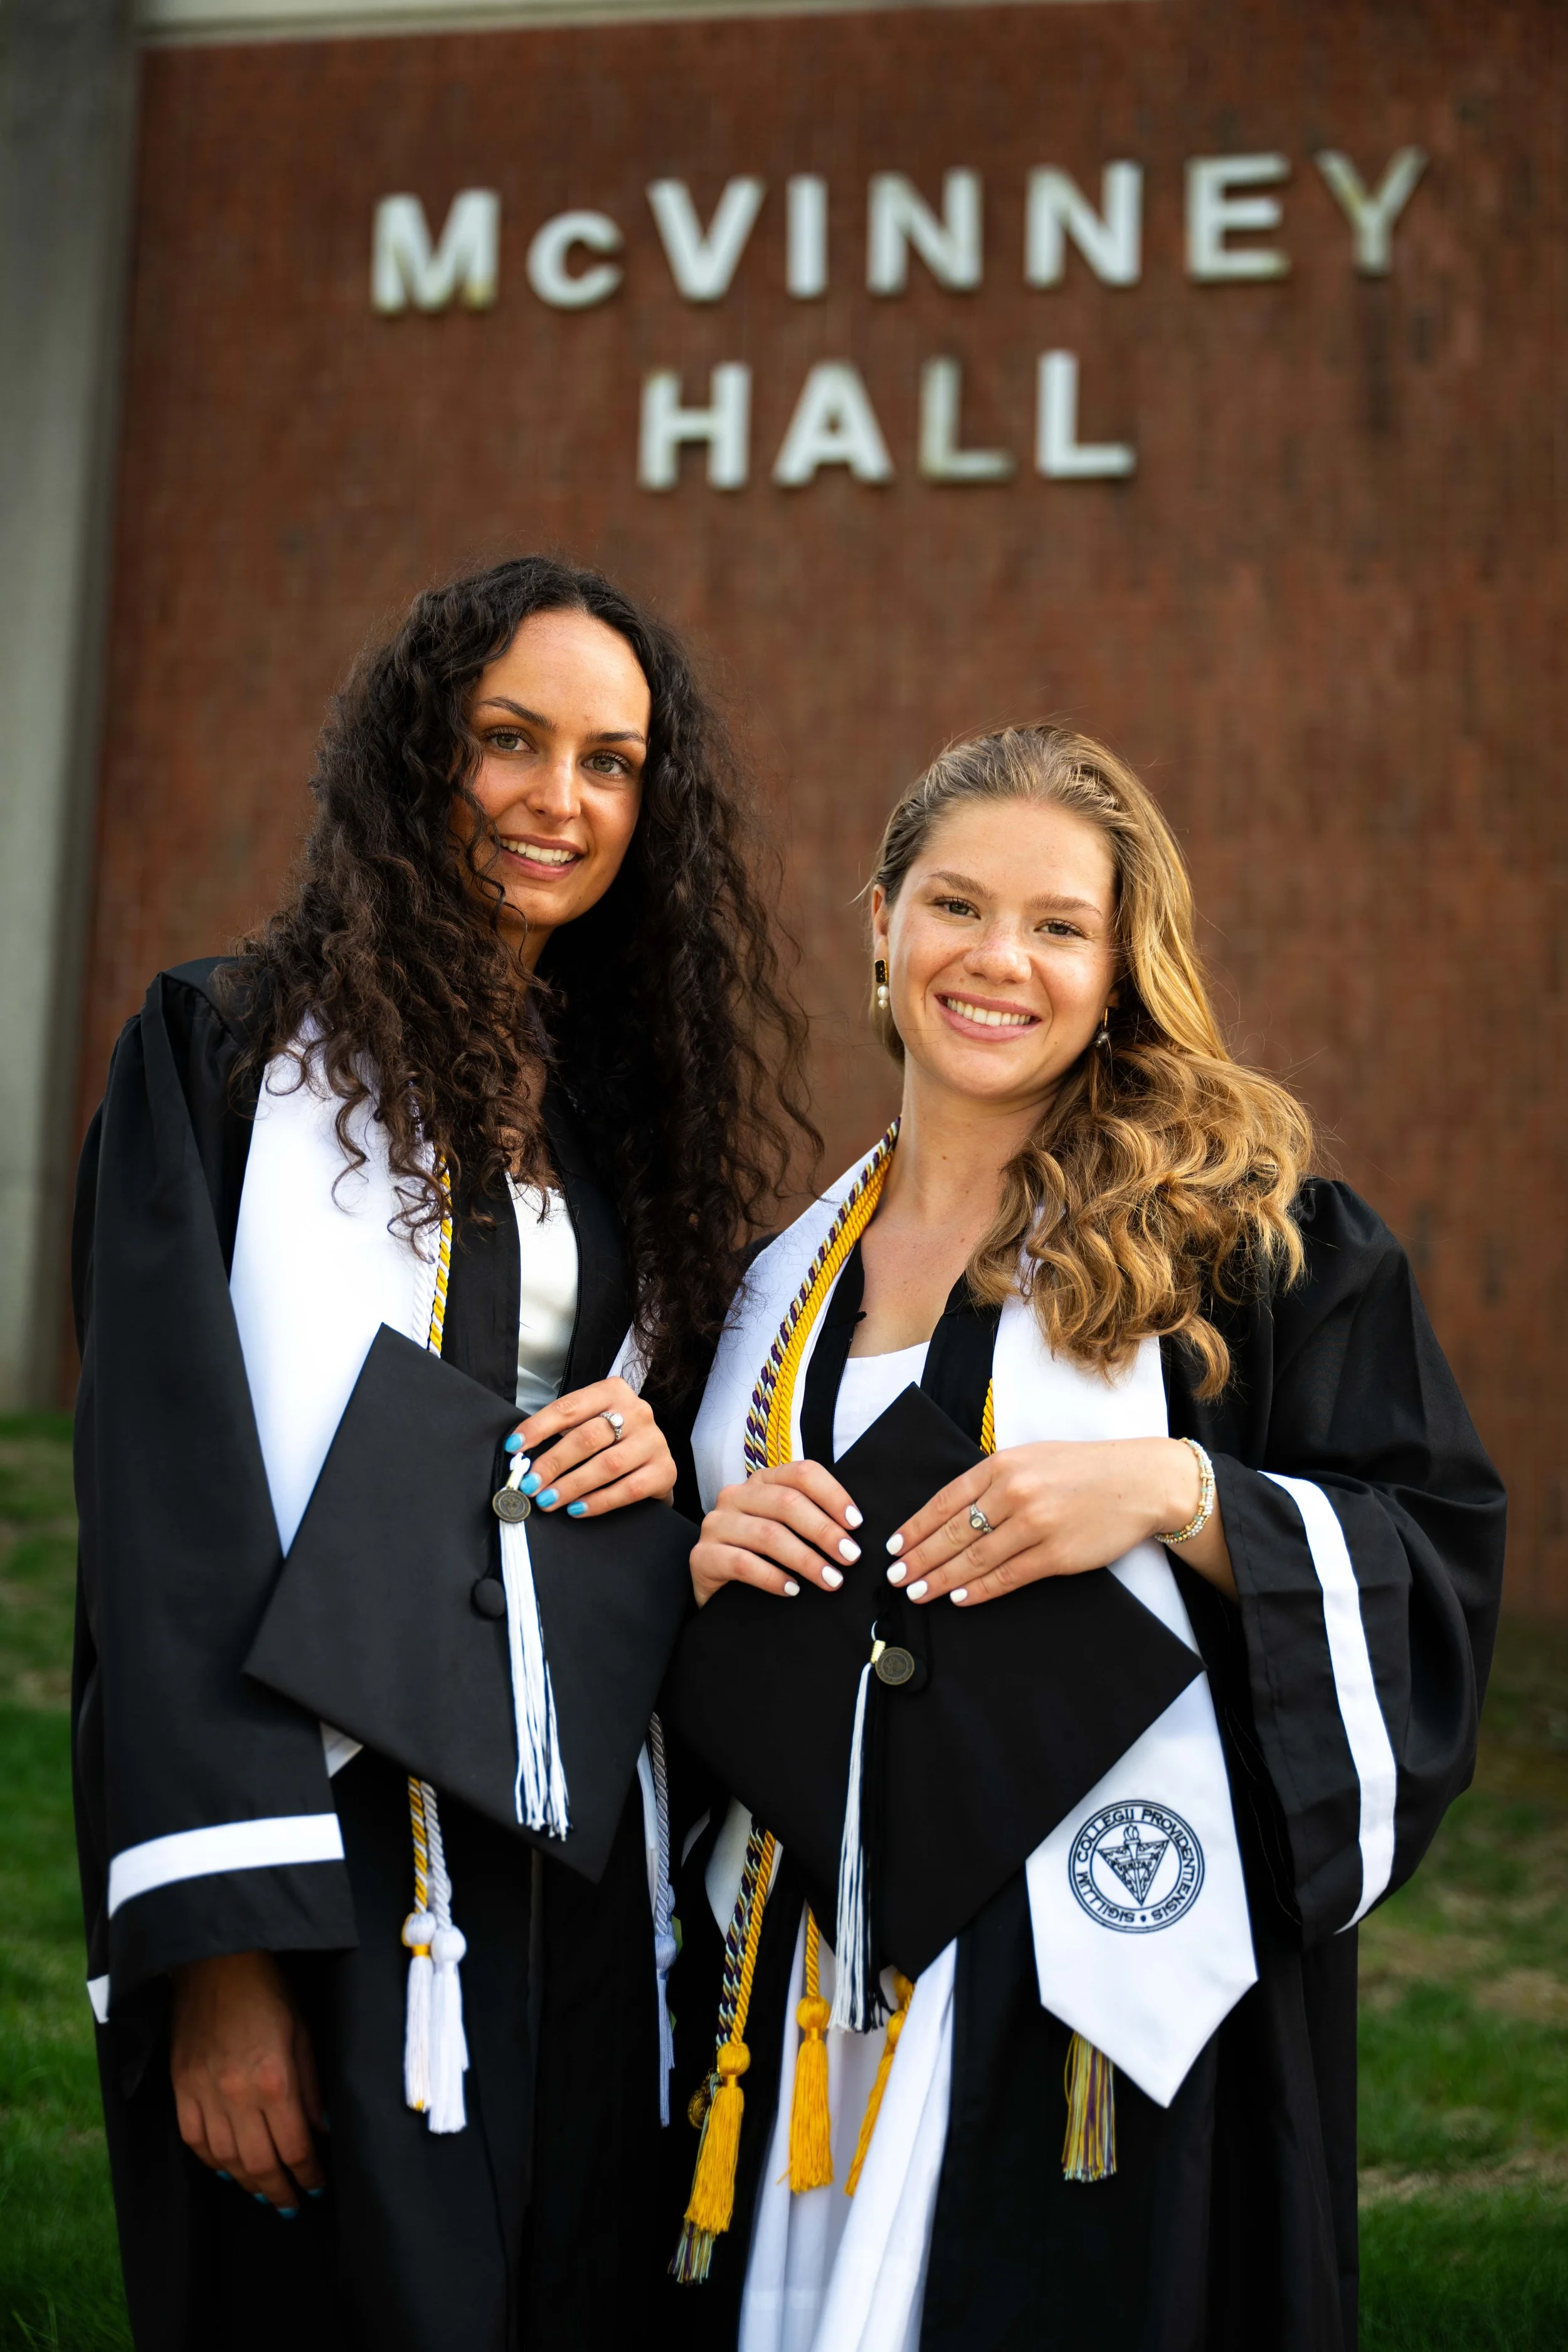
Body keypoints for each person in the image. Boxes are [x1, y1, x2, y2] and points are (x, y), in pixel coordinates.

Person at [657, 725, 1506, 2352]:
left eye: (1059, 924)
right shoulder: (770, 1286)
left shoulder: (1246, 1242)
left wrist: (1183, 1496)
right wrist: (706, 1557)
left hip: (1099, 1998)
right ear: (879, 925)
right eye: (955, 905)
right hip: (812, 1959)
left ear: (1124, 964)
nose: (997, 959)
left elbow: (1434, 1546)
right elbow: (698, 1639)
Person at [71, 556, 813, 2351]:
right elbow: (164, 1519)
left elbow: (711, 1440)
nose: (561, 799)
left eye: (613, 761)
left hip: (572, 1845)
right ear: (418, 754)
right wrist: (225, 1965)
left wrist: (667, 1447)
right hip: (316, 1838)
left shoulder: (629, 1106)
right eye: (510, 740)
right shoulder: (226, 1057)